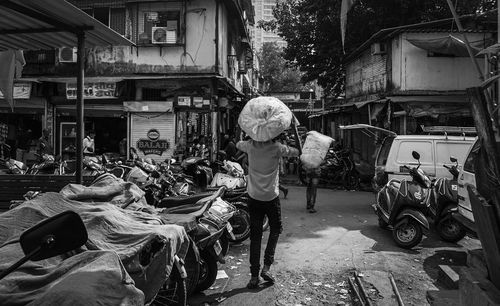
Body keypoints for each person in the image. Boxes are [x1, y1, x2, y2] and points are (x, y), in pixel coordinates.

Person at [236, 133, 299, 289]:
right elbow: (297, 151)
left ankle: (254, 276)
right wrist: (296, 133)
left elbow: (238, 143)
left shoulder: (249, 146)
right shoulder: (277, 147)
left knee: (255, 236)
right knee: (276, 229)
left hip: (254, 197)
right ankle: (267, 267)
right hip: (271, 197)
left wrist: (244, 133)